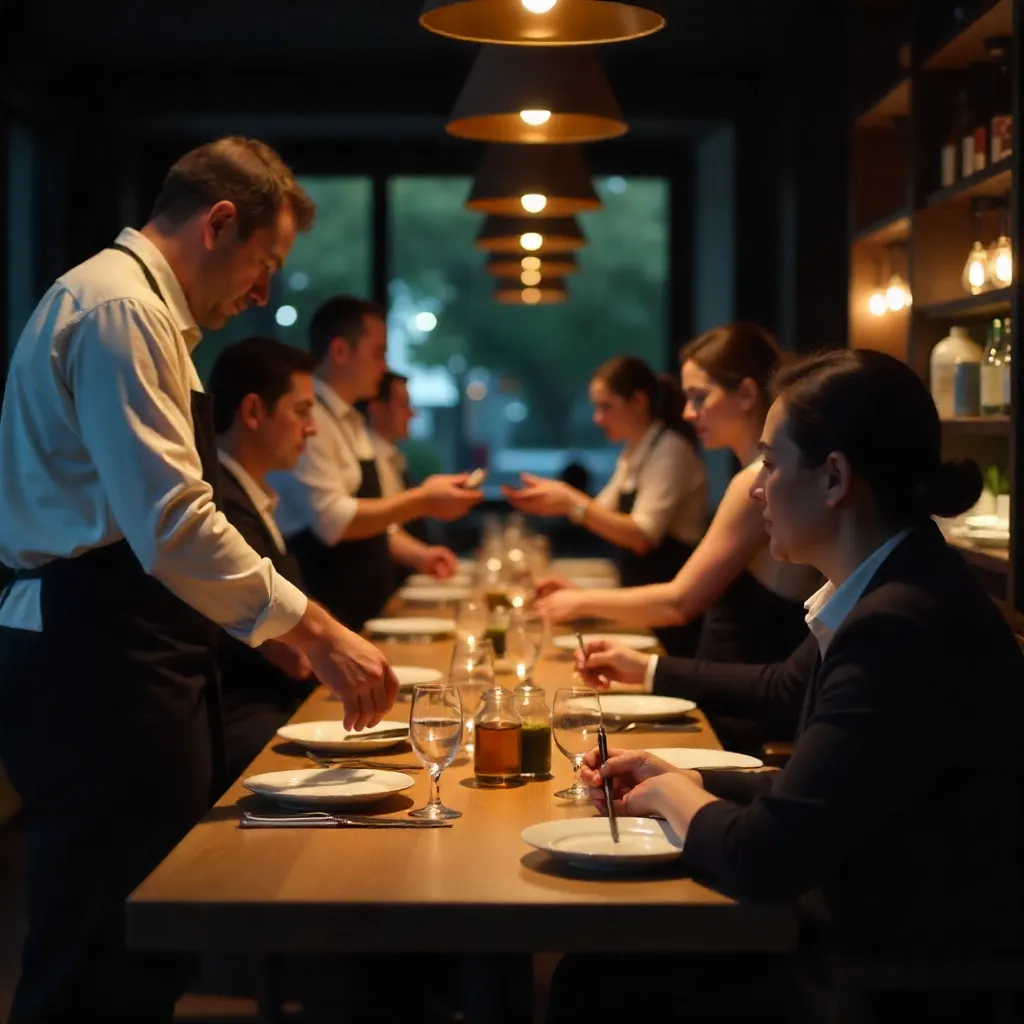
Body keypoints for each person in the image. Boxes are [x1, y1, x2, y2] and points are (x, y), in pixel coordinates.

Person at [0, 138, 399, 1024]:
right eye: (265, 262)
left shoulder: (138, 309)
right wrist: (320, 632)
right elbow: (174, 524)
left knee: (138, 951)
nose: (263, 292)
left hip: (122, 646)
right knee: (95, 953)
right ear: (219, 222)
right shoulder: (120, 309)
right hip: (94, 654)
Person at [553, 349, 1024, 1022]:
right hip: (876, 935)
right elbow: (824, 790)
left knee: (598, 983)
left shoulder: (896, 625)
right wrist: (679, 775)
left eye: (771, 464)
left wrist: (672, 794)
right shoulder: (893, 586)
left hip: (887, 976)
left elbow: (763, 858)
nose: (754, 488)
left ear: (834, 478)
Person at [532, 325, 821, 748]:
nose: (688, 412)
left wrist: (576, 601)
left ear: (745, 394)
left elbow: (679, 603)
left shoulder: (753, 483)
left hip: (737, 721)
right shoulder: (752, 478)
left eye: (700, 397)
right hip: (721, 699)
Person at [274, 297, 482, 630]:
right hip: (327, 612)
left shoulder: (349, 420)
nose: (384, 367)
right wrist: (423, 500)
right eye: (378, 354)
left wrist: (420, 556)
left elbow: (375, 522)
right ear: (340, 351)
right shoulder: (311, 419)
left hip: (366, 610)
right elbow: (335, 522)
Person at [504, 355, 708, 656]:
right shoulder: (636, 448)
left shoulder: (670, 450)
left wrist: (571, 502)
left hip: (670, 622)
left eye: (606, 407)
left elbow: (641, 537)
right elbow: (601, 513)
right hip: (642, 607)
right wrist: (559, 504)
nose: (597, 418)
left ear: (638, 401)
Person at [208, 336, 323, 781]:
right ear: (254, 412)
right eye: (302, 411)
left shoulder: (250, 496)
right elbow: (293, 651)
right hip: (246, 729)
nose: (311, 429)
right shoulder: (221, 504)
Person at [359, 368, 434, 568]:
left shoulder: (391, 455)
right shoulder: (367, 458)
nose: (412, 413)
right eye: (403, 404)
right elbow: (383, 526)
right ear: (376, 408)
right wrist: (427, 497)